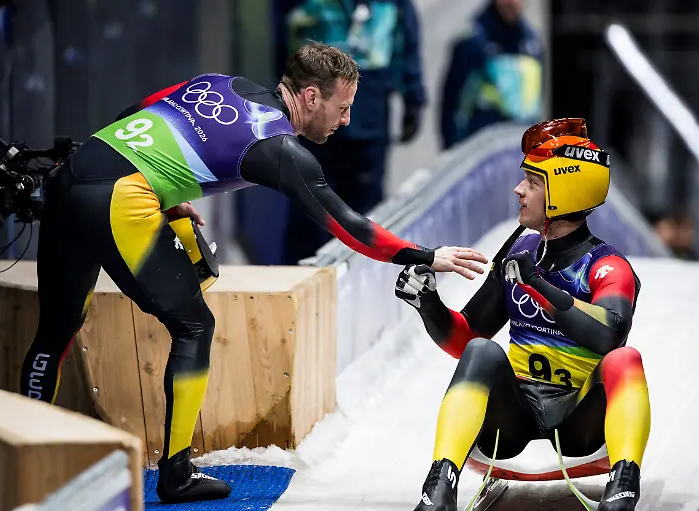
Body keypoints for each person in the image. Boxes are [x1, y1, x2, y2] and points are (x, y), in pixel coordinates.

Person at [18, 42, 488, 504]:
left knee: (55, 329)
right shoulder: (278, 147)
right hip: (120, 197)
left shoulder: (220, 83)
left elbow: (135, 113)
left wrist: (163, 189)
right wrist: (427, 256)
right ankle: (176, 474)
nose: (345, 120)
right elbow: (350, 226)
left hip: (75, 174)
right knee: (195, 326)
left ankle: (26, 460)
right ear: (309, 98)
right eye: (341, 108)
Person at [395, 118, 650, 511]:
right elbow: (466, 339)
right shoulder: (521, 252)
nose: (518, 190)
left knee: (625, 360)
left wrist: (542, 287)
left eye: (532, 182)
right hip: (512, 416)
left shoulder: (609, 266)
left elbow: (610, 336)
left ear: (563, 192)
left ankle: (625, 486)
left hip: (579, 422)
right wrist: (429, 304)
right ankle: (439, 487)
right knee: (482, 351)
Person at [279, 0, 426, 264]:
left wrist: (413, 99)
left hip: (370, 117)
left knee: (366, 207)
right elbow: (284, 37)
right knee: (309, 208)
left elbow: (407, 42)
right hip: (314, 120)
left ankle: (363, 279)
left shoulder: (394, 4)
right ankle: (301, 279)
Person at [439, 0, 543, 149]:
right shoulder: (473, 42)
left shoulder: (533, 43)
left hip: (521, 151)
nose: (512, 3)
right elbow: (451, 107)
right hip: (481, 152)